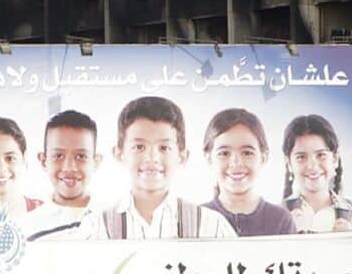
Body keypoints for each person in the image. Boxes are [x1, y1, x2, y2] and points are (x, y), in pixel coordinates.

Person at [84, 96, 236, 239]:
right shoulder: (96, 228)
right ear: (119, 154)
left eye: (164, 148)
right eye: (139, 147)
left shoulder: (212, 227)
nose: (151, 158)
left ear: (182, 157)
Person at [201, 108, 296, 236]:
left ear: (264, 157)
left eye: (247, 153)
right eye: (224, 153)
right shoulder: (197, 219)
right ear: (209, 158)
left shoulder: (281, 220)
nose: (236, 162)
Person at [18, 110, 102, 241]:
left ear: (96, 162)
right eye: (58, 156)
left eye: (81, 156)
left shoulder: (113, 218)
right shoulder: (25, 229)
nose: (69, 167)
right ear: (43, 160)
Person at [281, 115, 352, 233]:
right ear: (289, 163)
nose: (312, 166)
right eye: (301, 157)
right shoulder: (275, 216)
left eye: (321, 155)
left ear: (335, 159)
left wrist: (350, 241)